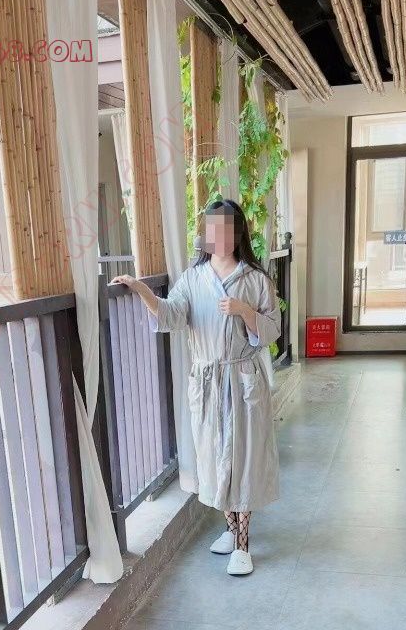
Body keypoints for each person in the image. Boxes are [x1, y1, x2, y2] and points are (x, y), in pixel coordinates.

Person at [112, 198, 281, 576]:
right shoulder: (193, 278)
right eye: (212, 228)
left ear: (238, 232)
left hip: (243, 379)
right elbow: (171, 315)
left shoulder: (256, 279)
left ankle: (243, 544)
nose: (219, 236)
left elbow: (272, 330)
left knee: (244, 460)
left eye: (227, 228)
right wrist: (140, 288)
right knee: (214, 458)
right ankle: (230, 529)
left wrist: (244, 311)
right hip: (207, 382)